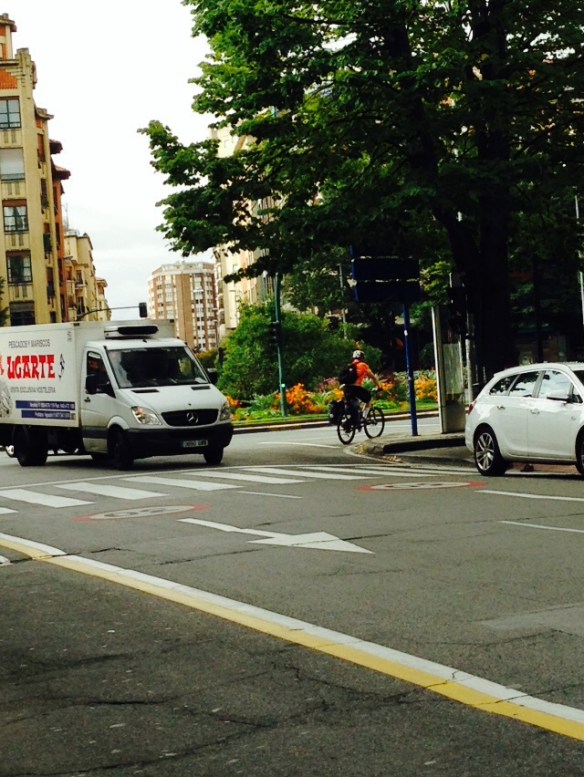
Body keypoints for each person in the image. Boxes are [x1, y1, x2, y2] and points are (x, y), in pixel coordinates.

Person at [343, 349, 382, 426]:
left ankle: (347, 419)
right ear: (361, 358)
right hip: (356, 388)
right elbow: (373, 378)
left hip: (346, 388)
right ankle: (364, 418)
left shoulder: (350, 366)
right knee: (368, 399)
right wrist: (379, 387)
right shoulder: (363, 365)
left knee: (352, 405)